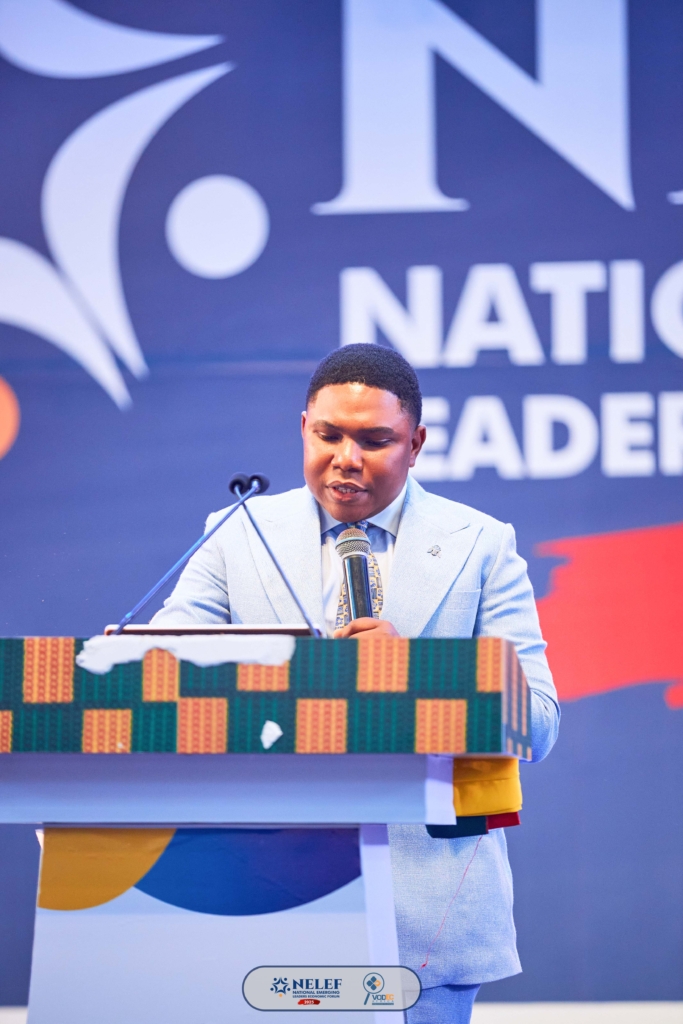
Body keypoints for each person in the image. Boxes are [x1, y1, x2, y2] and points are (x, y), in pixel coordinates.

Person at [152, 345, 560, 1024]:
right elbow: (160, 674)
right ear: (302, 428)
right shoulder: (236, 534)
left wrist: (416, 674)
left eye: (374, 440)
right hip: (258, 895)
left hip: (425, 917)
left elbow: (537, 721)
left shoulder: (482, 545)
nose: (347, 458)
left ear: (415, 444)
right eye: (328, 435)